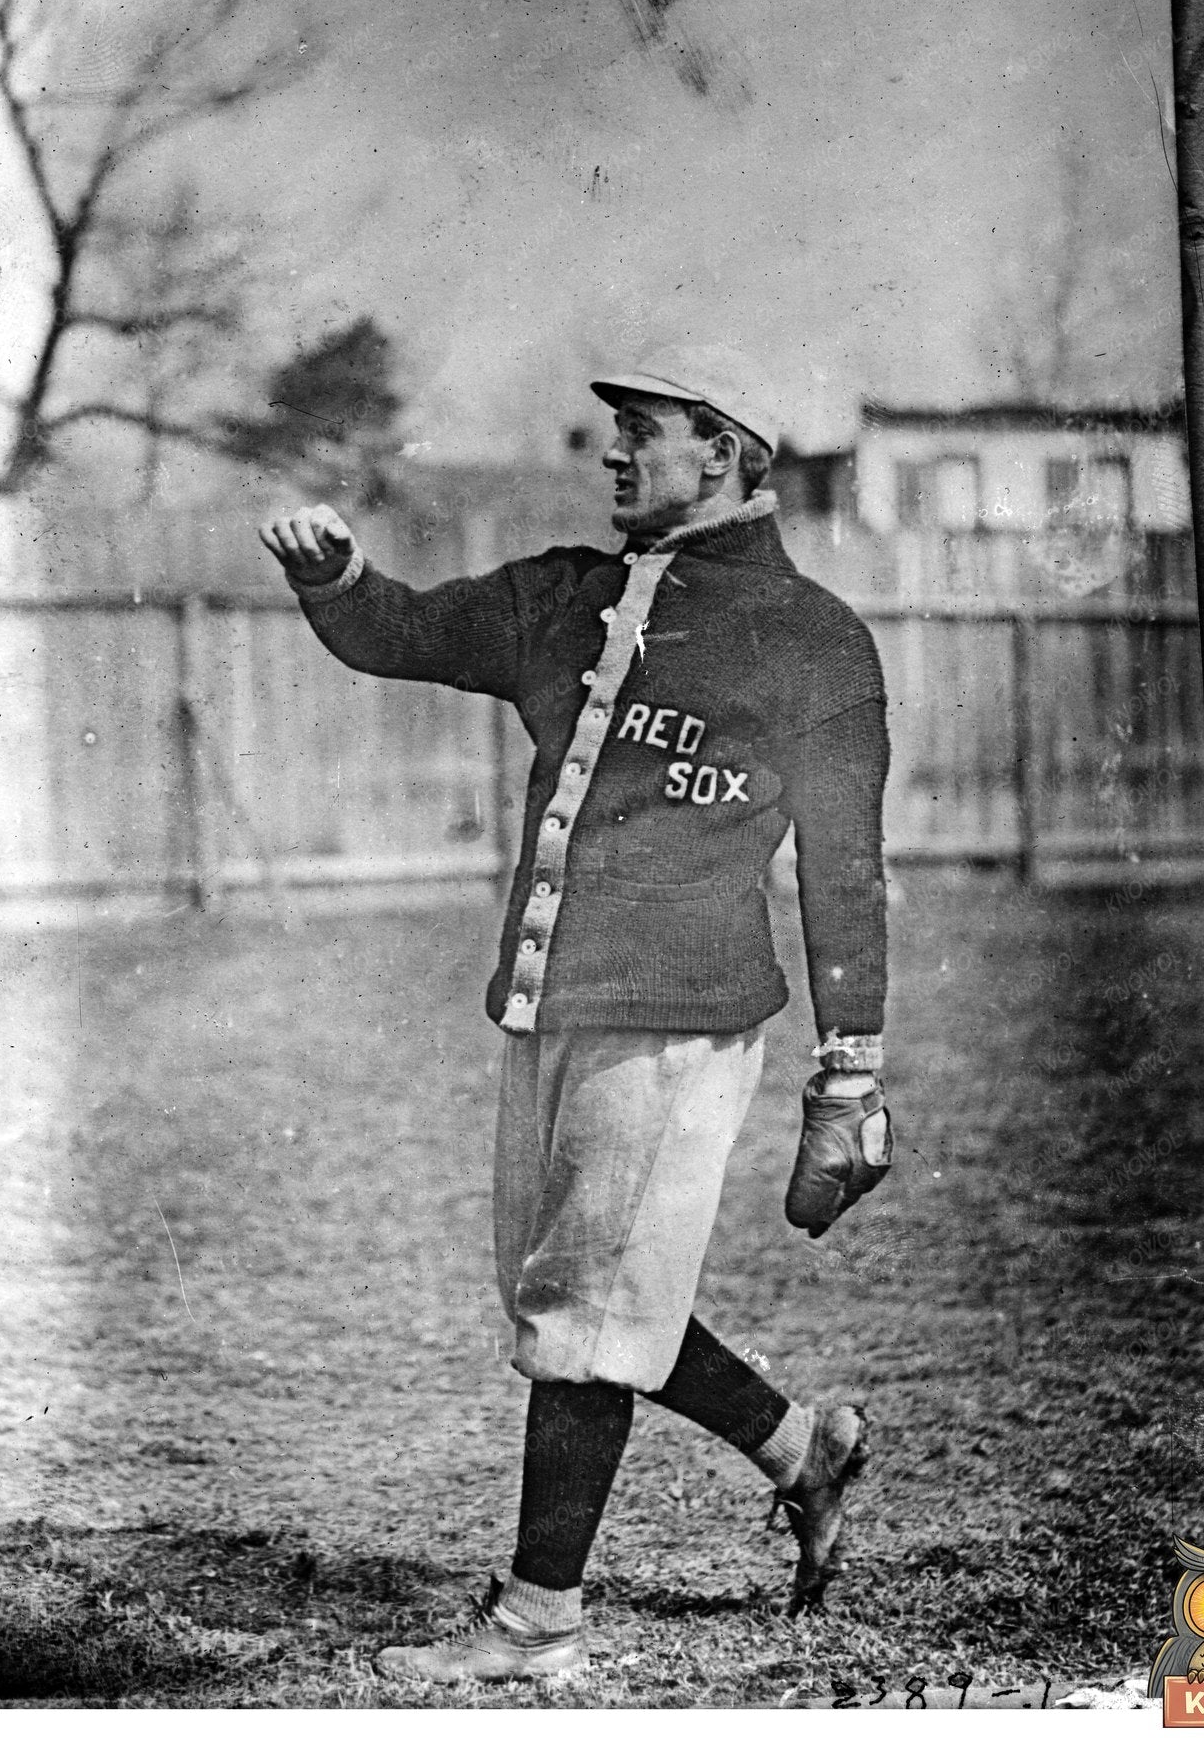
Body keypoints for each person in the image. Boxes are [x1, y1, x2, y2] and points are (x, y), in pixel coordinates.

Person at [259, 344, 894, 1682]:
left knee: (584, 1310)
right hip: (552, 1002)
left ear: (723, 451)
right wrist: (332, 575)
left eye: (643, 433)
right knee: (572, 1298)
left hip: (679, 1020)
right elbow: (404, 630)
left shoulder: (810, 638)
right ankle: (802, 1444)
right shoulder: (567, 594)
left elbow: (840, 864)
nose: (610, 453)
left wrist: (848, 1071)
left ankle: (535, 1625)